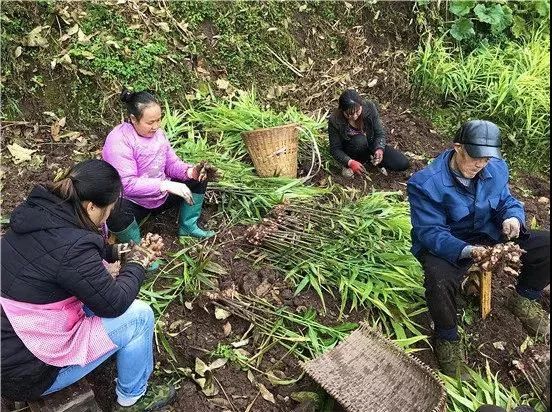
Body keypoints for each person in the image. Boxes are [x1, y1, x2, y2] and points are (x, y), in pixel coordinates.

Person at [0, 160, 174, 411]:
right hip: (27, 373)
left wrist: (124, 250)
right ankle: (133, 397)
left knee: (98, 295)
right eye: (109, 209)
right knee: (139, 317)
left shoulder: (40, 212)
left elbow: (73, 253)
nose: (109, 215)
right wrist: (139, 261)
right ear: (91, 206)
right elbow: (114, 304)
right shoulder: (72, 248)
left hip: (13, 341)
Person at [407, 120, 550, 377]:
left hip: (489, 233)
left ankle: (524, 298)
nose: (481, 164)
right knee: (438, 278)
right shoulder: (425, 183)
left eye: (486, 159)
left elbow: (506, 200)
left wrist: (512, 217)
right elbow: (431, 232)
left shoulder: (496, 168)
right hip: (450, 243)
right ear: (458, 147)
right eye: (475, 158)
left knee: (546, 245)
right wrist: (469, 251)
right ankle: (447, 338)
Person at [103, 89, 217, 245]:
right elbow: (126, 184)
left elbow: (171, 164)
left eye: (159, 120)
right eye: (150, 122)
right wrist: (164, 185)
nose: (156, 126)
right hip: (134, 203)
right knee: (114, 212)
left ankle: (188, 227)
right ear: (133, 119)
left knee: (200, 177)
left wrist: (191, 172)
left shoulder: (158, 134)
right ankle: (137, 249)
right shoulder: (119, 140)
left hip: (160, 196)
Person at [328, 89, 410, 178]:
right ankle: (353, 164)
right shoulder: (335, 120)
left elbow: (379, 133)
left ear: (361, 106)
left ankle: (371, 160)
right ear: (342, 110)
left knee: (402, 163)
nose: (354, 116)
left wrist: (379, 149)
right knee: (360, 140)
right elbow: (335, 149)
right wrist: (350, 162)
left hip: (370, 144)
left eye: (357, 112)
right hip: (352, 150)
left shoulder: (369, 108)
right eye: (349, 114)